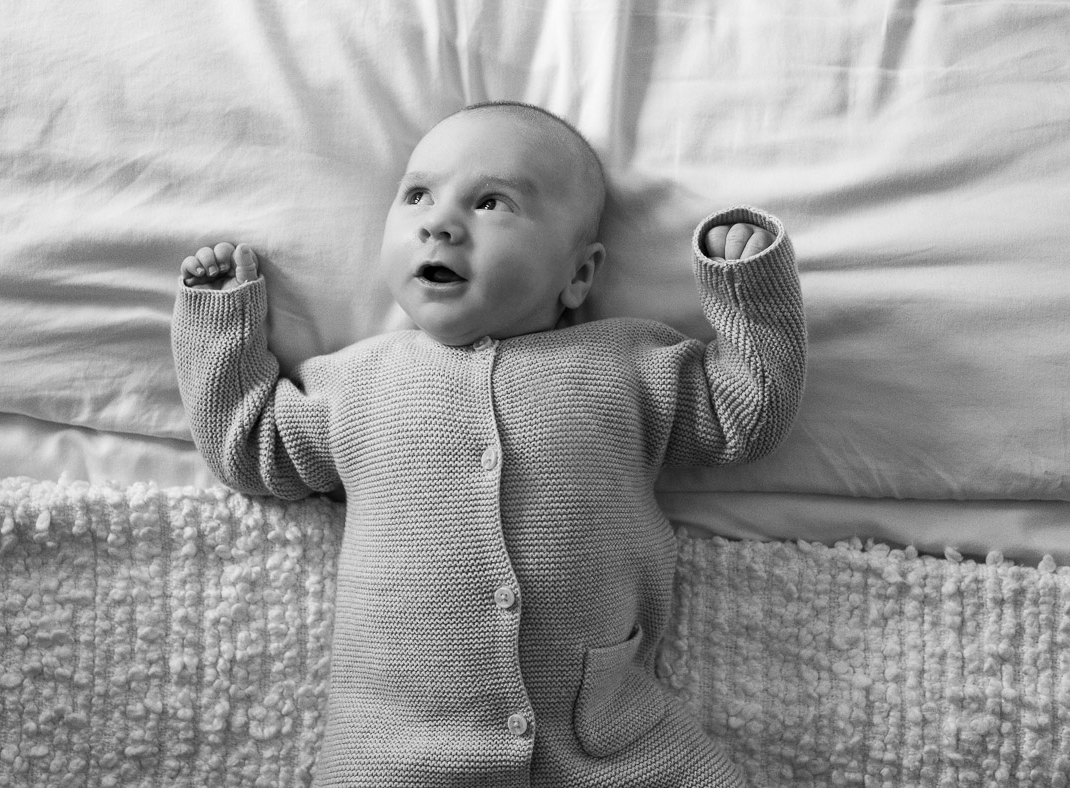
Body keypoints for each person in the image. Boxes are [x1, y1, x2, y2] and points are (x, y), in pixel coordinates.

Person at [172, 100, 806, 787]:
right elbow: (249, 446)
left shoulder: (629, 364)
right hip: (395, 751)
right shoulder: (356, 382)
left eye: (492, 202)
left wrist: (747, 286)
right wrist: (221, 322)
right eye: (417, 194)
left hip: (607, 740)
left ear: (580, 275)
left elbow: (749, 414)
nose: (439, 222)